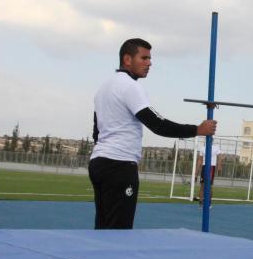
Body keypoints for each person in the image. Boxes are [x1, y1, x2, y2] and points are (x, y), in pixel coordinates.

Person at [89, 38, 215, 229]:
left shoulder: (104, 89)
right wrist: (198, 130)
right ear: (127, 59)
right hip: (119, 165)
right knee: (119, 230)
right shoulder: (130, 86)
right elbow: (158, 124)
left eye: (150, 59)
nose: (149, 63)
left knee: (103, 226)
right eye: (144, 58)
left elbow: (96, 133)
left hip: (98, 163)